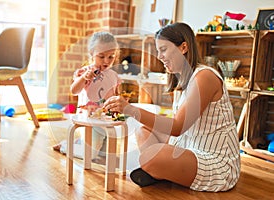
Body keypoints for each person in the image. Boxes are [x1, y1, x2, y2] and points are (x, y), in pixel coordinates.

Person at [103, 22, 240, 192]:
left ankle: (157, 170)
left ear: (183, 47)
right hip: (189, 144)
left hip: (215, 161)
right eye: (157, 51)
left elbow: (177, 127)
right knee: (143, 130)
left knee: (150, 157)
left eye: (163, 49)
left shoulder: (205, 76)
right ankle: (161, 170)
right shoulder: (182, 79)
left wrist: (130, 109)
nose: (159, 56)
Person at [55, 31, 122, 159]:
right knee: (90, 155)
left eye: (111, 56)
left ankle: (81, 143)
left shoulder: (113, 75)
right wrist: (84, 78)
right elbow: (74, 90)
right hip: (89, 120)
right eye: (101, 56)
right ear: (91, 54)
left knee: (107, 155)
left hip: (106, 121)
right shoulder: (85, 72)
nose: (106, 61)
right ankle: (65, 145)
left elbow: (115, 94)